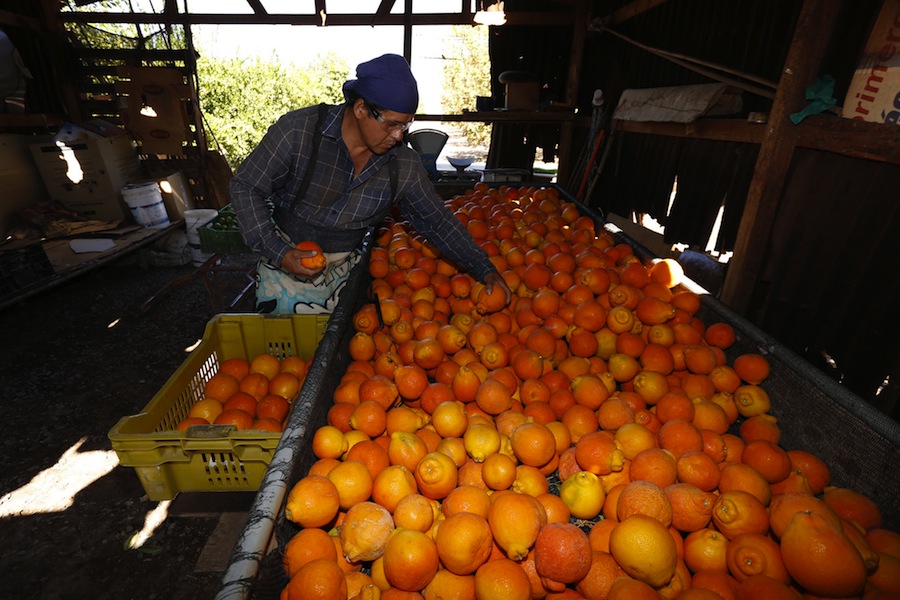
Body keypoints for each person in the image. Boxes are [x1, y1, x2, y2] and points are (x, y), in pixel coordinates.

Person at [229, 53, 511, 314]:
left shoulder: (402, 167)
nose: (399, 136)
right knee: (282, 355)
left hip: (345, 276)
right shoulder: (299, 132)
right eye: (392, 124)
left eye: (406, 126)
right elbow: (245, 187)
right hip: (283, 265)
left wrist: (483, 268)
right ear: (362, 108)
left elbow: (437, 223)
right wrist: (279, 252)